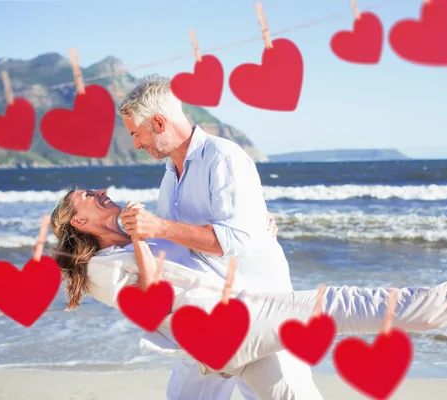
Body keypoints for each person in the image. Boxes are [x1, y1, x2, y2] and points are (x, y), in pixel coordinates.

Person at [50, 188, 447, 400]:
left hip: (229, 332)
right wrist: (139, 235)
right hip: (228, 330)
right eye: (88, 198)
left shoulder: (151, 236)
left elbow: (207, 256)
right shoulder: (95, 269)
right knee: (336, 304)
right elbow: (153, 296)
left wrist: (256, 236)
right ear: (79, 221)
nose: (100, 194)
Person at [116, 74, 319, 399]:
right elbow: (174, 247)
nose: (137, 144)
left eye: (136, 134)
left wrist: (157, 227)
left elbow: (233, 241)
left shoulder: (223, 157)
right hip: (207, 312)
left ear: (157, 122)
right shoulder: (170, 178)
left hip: (261, 308)